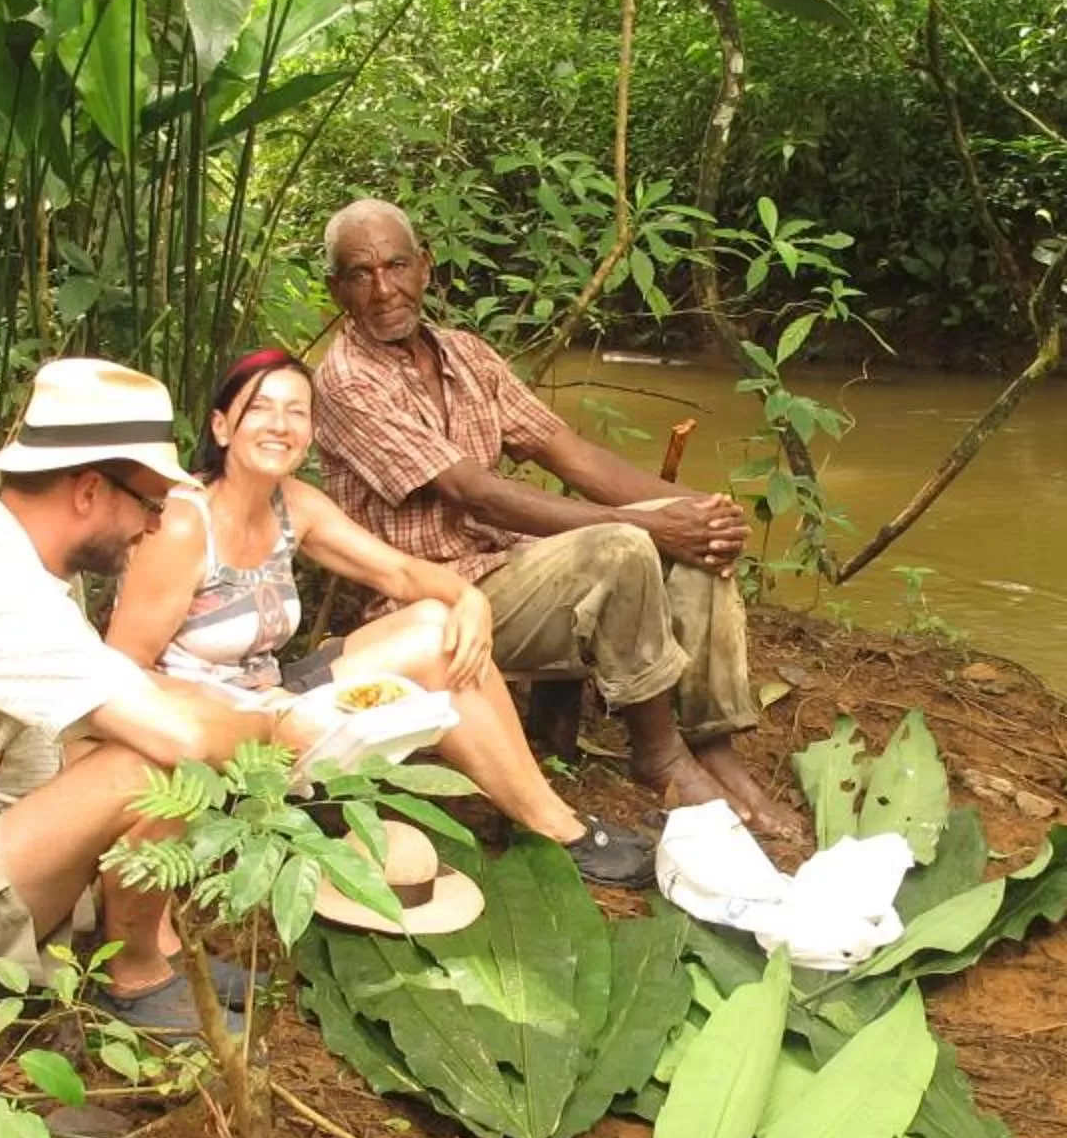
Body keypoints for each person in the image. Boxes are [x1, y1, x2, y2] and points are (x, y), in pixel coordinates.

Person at [0, 359, 302, 1035]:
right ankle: (132, 978)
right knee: (156, 764)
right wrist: (292, 729)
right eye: (151, 505)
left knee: (146, 736)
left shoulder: (15, 557)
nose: (156, 527)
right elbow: (180, 739)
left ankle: (150, 944)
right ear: (86, 491)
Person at [308, 197, 801, 836]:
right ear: (336, 290)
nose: (382, 289)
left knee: (692, 539)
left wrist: (693, 511)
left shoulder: (467, 355)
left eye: (396, 266)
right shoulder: (347, 381)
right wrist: (651, 527)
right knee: (620, 546)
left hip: (512, 569)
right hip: (437, 605)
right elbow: (474, 492)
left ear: (425, 268)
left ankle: (713, 745)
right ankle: (658, 754)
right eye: (359, 274)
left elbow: (572, 456)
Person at [101, 349, 653, 885]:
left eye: (296, 411)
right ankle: (556, 828)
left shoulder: (292, 502)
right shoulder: (183, 523)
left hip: (276, 700)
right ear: (222, 427)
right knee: (435, 642)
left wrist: (470, 600)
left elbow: (401, 574)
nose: (279, 424)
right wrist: (233, 709)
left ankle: (549, 821)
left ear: (311, 434)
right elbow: (120, 675)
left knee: (438, 626)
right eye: (260, 408)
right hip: (215, 733)